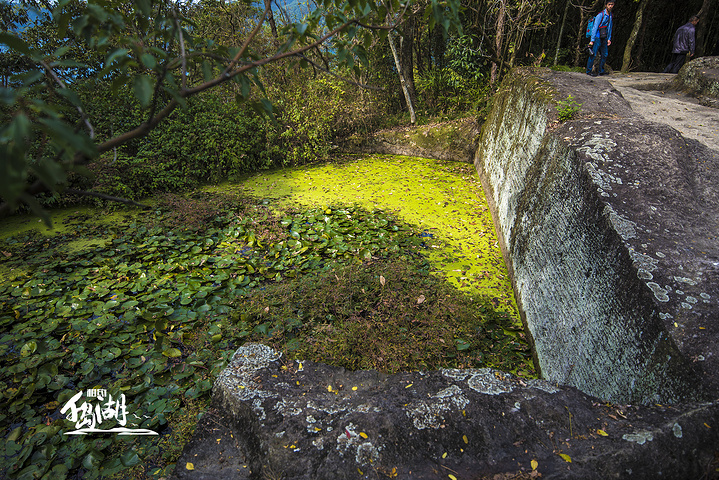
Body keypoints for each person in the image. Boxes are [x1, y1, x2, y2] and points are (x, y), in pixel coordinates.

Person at [586, 1, 615, 77]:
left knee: (605, 54)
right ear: (606, 5)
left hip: (604, 37)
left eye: (612, 4)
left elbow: (609, 27)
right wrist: (592, 40)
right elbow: (595, 27)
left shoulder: (610, 15)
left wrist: (609, 38)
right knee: (593, 54)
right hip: (597, 37)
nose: (610, 6)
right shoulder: (600, 15)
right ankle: (588, 71)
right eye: (609, 5)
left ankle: (601, 71)